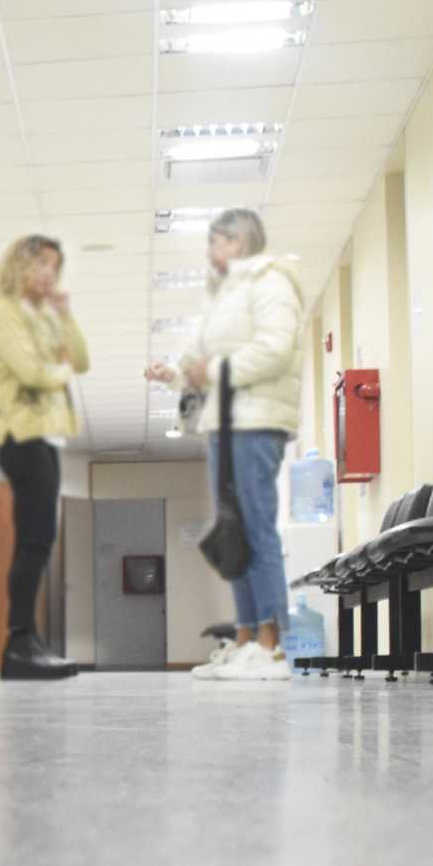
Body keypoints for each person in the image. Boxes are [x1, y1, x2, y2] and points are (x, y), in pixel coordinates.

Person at [145, 208, 303, 682]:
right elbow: (200, 360)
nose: (210, 252)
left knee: (256, 529)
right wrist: (176, 374)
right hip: (224, 422)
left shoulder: (272, 283)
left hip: (257, 421)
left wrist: (210, 371)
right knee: (233, 533)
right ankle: (246, 639)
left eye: (217, 242)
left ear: (241, 242)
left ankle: (272, 647)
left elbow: (276, 349)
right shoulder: (222, 296)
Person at [0, 235, 87, 680]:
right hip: (20, 435)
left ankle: (28, 638)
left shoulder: (41, 318)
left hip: (46, 436)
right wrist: (59, 370)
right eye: (39, 264)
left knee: (40, 540)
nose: (47, 275)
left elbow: (82, 358)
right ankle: (18, 644)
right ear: (18, 266)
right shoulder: (3, 314)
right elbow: (34, 374)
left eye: (53, 267)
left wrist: (65, 315)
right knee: (33, 542)